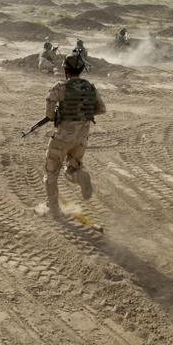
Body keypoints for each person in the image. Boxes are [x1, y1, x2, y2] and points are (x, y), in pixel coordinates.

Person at [41, 49, 106, 218]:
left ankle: (53, 209)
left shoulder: (60, 86)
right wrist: (81, 116)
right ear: (82, 70)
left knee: (51, 171)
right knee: (72, 169)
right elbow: (101, 109)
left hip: (63, 136)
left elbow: (49, 113)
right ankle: (80, 176)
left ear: (65, 69)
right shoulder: (90, 87)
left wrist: (57, 116)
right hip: (82, 138)